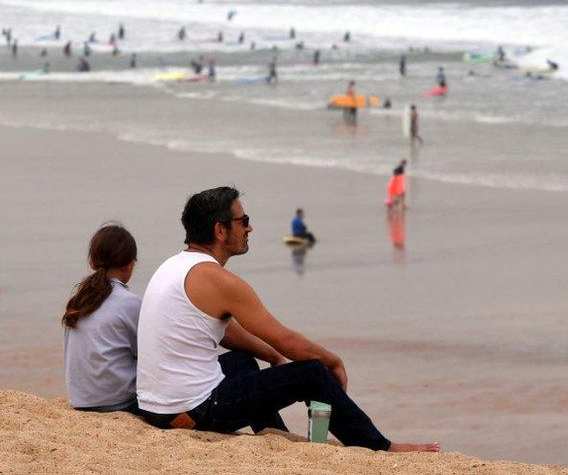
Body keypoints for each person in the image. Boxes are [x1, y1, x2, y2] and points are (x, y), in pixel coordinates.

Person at [136, 187, 437, 452]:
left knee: (242, 362)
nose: (250, 227)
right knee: (311, 373)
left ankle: (274, 435)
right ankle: (380, 446)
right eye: (243, 221)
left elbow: (223, 331)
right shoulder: (218, 279)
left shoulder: (174, 266)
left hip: (157, 409)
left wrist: (272, 356)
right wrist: (333, 362)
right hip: (193, 412)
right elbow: (287, 340)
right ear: (220, 230)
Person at [62, 225, 142, 413]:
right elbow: (149, 355)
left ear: (91, 262)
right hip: (121, 403)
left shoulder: (78, 300)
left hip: (80, 402)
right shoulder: (130, 303)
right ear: (130, 265)